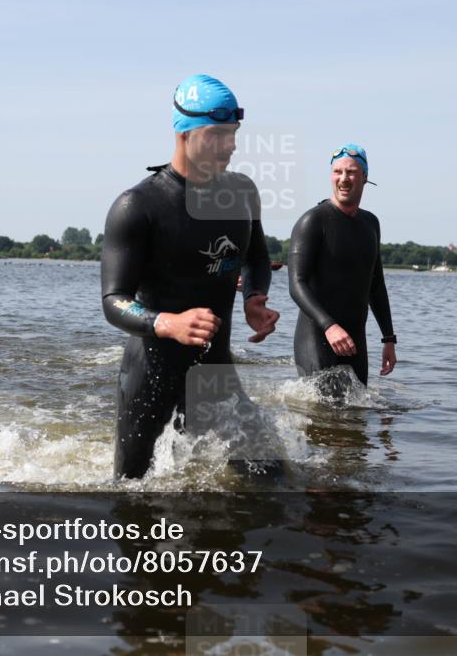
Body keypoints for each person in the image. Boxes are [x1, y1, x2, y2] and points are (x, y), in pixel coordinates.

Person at [101, 74, 280, 480]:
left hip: (216, 373)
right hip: (151, 379)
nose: (231, 144)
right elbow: (113, 300)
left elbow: (256, 256)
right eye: (218, 134)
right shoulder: (138, 205)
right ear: (184, 134)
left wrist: (254, 298)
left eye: (233, 133)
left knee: (274, 482)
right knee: (134, 503)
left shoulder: (241, 193)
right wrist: (167, 322)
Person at [288, 144, 397, 394]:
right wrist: (329, 326)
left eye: (351, 172)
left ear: (365, 177)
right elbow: (296, 283)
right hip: (317, 336)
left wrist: (388, 339)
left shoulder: (371, 223)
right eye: (338, 172)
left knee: (355, 417)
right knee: (323, 419)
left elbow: (376, 285)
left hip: (355, 340)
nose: (344, 179)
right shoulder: (313, 221)